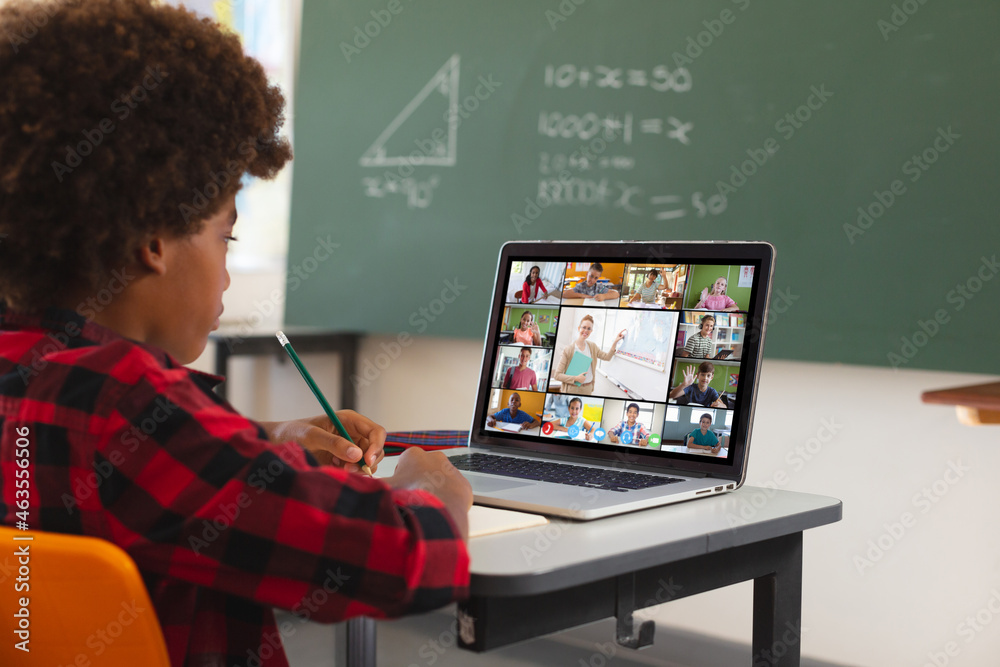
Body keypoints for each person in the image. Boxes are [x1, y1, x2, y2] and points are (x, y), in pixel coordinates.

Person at [0, 3, 472, 665]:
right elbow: (400, 561)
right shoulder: (133, 407)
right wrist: (432, 491)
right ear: (154, 239)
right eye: (227, 234)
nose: (226, 267)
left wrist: (265, 441)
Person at [552, 314, 625, 395]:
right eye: (584, 327)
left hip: (587, 388)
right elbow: (557, 375)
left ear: (591, 331)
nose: (586, 330)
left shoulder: (592, 347)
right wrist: (576, 378)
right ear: (579, 328)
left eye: (589, 328)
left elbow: (607, 357)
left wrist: (615, 342)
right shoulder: (568, 349)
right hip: (571, 389)